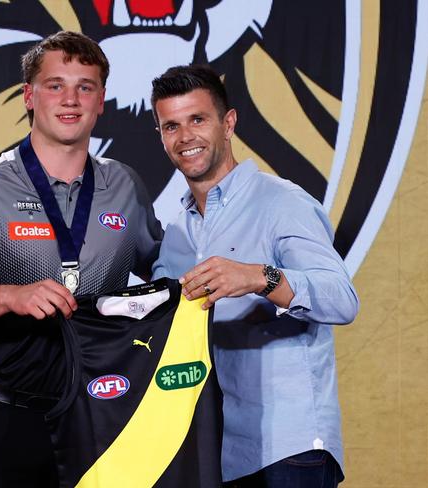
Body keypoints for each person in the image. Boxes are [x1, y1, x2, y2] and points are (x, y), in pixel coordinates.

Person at [0, 31, 162, 488]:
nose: (71, 99)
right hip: (9, 423)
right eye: (55, 85)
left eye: (85, 86)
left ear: (102, 100)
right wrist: (12, 295)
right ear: (29, 95)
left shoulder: (125, 186)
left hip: (103, 420)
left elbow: (166, 278)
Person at [150, 64, 359, 487]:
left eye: (197, 119)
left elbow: (342, 298)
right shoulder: (175, 233)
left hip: (289, 448)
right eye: (171, 125)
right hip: (212, 452)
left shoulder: (282, 202)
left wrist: (259, 277)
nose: (185, 136)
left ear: (228, 123)